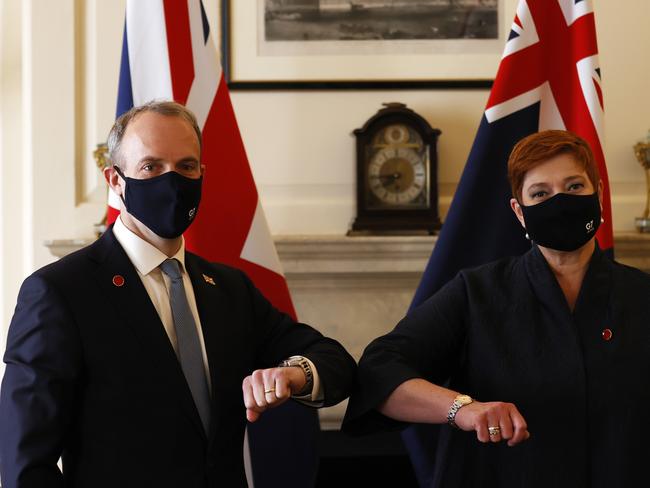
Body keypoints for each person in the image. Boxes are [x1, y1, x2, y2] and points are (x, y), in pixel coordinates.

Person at [0, 101, 356, 488]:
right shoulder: (61, 292)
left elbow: (335, 363)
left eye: (186, 167)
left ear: (202, 173)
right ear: (115, 180)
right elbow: (24, 463)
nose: (172, 182)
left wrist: (294, 375)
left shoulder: (230, 290)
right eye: (151, 167)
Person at [342, 130, 650, 488]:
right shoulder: (476, 293)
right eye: (540, 193)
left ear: (599, 194)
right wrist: (464, 410)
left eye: (574, 187)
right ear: (519, 212)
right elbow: (379, 370)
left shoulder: (642, 294)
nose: (560, 202)